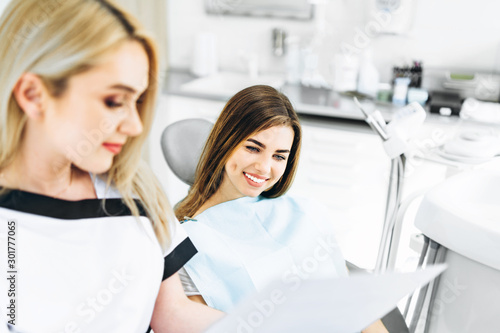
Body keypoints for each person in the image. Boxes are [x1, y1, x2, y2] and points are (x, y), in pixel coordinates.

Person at [0, 0, 222, 332]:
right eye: (114, 101)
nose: (135, 126)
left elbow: (172, 312)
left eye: (138, 101)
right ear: (33, 94)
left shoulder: (135, 187)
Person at [174, 85, 389, 332]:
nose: (264, 168)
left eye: (279, 156)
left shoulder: (306, 213)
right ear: (226, 141)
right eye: (253, 148)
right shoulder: (189, 246)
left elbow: (353, 305)